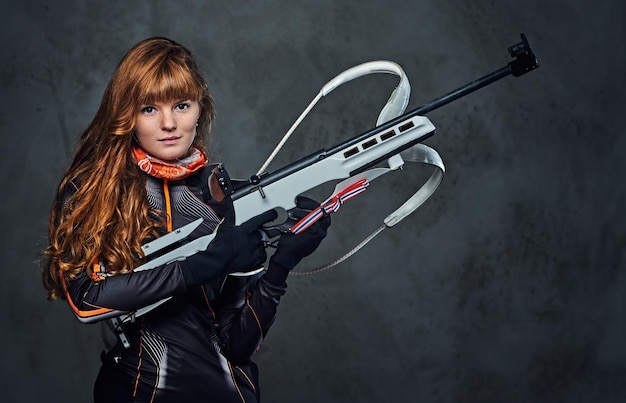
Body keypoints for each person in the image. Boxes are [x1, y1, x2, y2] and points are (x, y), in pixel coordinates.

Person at [41, 37, 330, 403]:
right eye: (149, 108)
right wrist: (202, 265)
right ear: (126, 114)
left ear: (200, 109)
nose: (168, 123)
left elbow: (237, 345)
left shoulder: (221, 196)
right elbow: (87, 302)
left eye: (181, 105)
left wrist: (282, 265)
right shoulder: (93, 190)